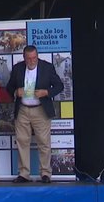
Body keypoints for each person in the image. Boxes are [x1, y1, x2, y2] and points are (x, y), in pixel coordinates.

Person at [6, 45, 64, 183]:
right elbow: (9, 87)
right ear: (24, 58)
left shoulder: (47, 67)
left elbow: (59, 86)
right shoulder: (17, 68)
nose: (32, 61)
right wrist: (15, 92)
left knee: (44, 142)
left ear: (37, 56)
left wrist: (46, 92)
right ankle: (23, 173)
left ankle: (45, 173)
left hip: (40, 108)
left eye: (34, 58)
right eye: (29, 59)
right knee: (22, 141)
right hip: (23, 109)